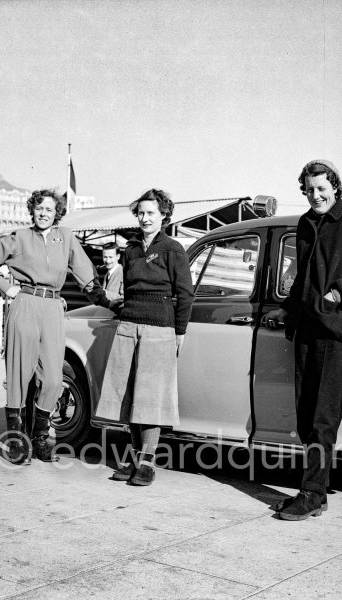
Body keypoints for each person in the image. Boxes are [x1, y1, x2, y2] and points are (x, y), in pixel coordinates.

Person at [264, 159, 342, 521]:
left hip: (339, 330)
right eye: (309, 189)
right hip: (308, 328)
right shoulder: (305, 223)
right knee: (305, 415)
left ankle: (312, 493)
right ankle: (317, 488)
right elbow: (302, 277)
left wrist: (337, 293)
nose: (315, 195)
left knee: (321, 417)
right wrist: (288, 310)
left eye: (321, 188)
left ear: (335, 187)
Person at [0, 189, 119, 465]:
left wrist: (107, 301)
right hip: (25, 305)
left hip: (53, 309)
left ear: (57, 213)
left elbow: (86, 276)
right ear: (32, 210)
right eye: (39, 208)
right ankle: (17, 442)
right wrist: (6, 287)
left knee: (53, 379)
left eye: (49, 209)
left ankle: (40, 437)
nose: (43, 213)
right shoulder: (19, 237)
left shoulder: (65, 237)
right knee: (18, 376)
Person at [95, 188, 194, 486]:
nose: (145, 218)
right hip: (129, 326)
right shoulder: (131, 250)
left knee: (150, 398)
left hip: (159, 329)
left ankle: (147, 463)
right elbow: (126, 289)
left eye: (151, 213)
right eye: (140, 213)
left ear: (164, 215)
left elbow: (185, 295)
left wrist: (179, 331)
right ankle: (135, 459)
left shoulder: (173, 249)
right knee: (130, 394)